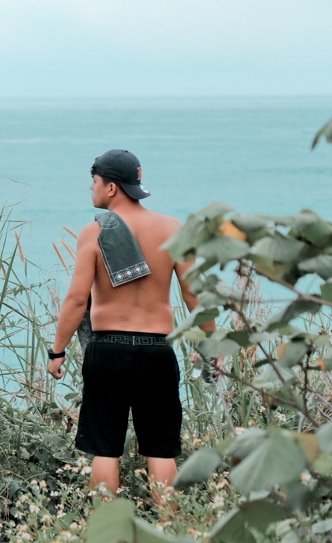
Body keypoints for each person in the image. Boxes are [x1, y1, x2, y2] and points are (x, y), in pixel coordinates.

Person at [46, 149, 214, 497]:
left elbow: (77, 300)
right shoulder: (172, 229)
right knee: (160, 449)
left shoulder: (93, 232)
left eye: (93, 182)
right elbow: (194, 296)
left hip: (107, 352)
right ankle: (170, 526)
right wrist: (209, 345)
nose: (90, 188)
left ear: (111, 188)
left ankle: (108, 529)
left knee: (105, 449)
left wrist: (56, 351)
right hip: (157, 351)